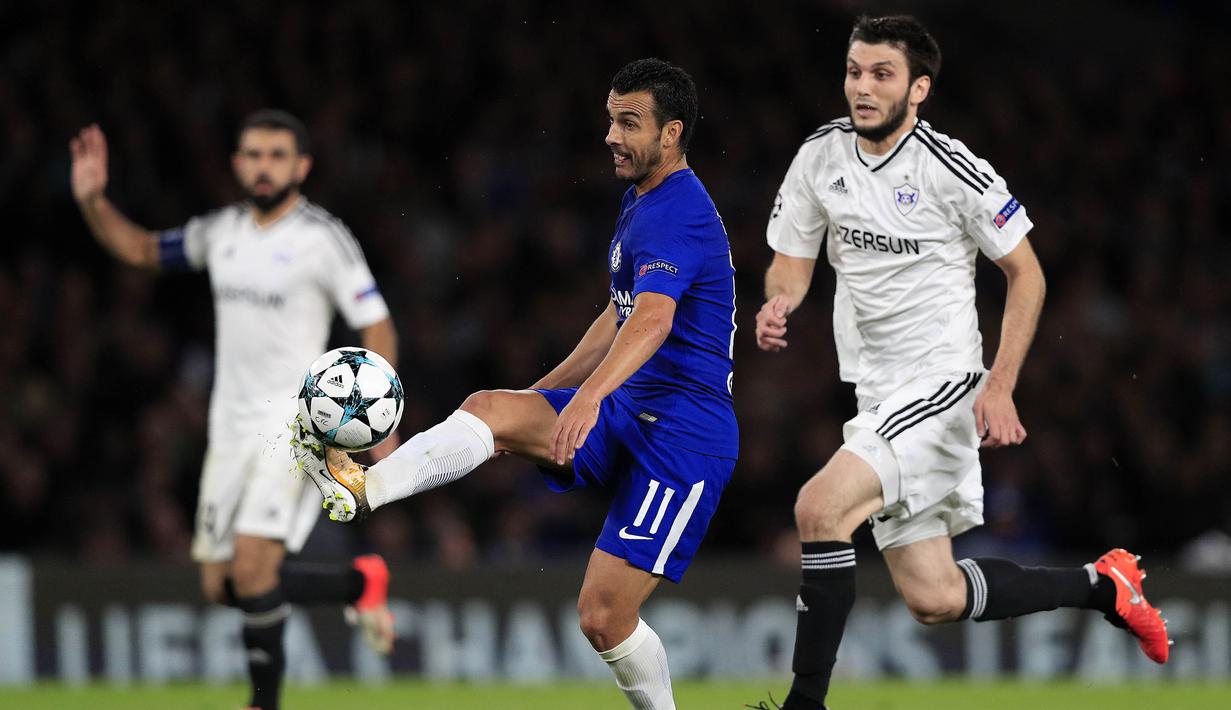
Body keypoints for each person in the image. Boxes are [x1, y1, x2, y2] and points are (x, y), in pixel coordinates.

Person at [752, 15, 1170, 710]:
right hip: (876, 393)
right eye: (854, 71)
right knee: (935, 596)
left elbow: (1027, 274)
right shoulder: (820, 154)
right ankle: (1103, 586)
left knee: (818, 507)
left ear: (918, 89)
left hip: (940, 383)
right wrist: (781, 301)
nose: (861, 87)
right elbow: (790, 259)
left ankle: (804, 705)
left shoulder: (950, 169)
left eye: (881, 74)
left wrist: (998, 385)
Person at [294, 58, 736, 710]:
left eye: (628, 123)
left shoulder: (679, 211)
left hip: (684, 435)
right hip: (628, 409)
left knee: (602, 618)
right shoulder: (641, 199)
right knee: (491, 409)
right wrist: (541, 395)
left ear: (671, 134)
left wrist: (587, 399)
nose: (610, 136)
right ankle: (364, 490)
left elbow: (652, 320)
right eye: (610, 119)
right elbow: (617, 316)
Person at [70, 110, 399, 710]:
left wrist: (375, 416)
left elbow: (375, 322)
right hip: (228, 428)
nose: (263, 166)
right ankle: (359, 582)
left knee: (251, 570)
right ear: (237, 164)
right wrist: (93, 202)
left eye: (277, 155)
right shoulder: (219, 232)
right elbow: (141, 249)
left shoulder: (323, 239)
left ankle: (262, 702)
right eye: (253, 155)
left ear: (302, 166)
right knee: (222, 584)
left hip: (294, 427)